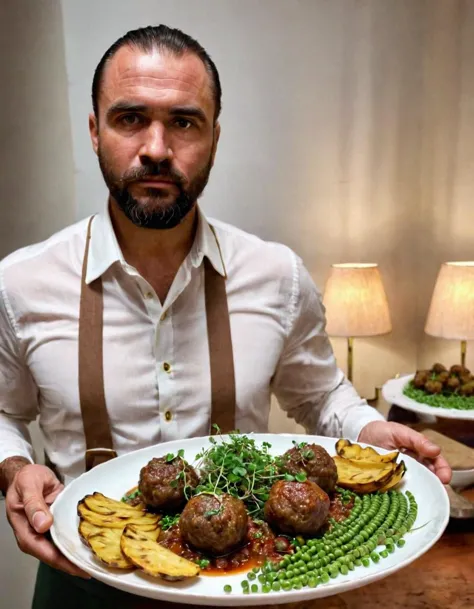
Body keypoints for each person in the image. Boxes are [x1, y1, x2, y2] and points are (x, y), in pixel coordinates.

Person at [0, 24, 450, 609]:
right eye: (129, 118)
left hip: (251, 583)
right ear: (94, 130)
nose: (157, 148)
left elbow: (321, 396)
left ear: (214, 135)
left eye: (184, 122)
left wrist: (368, 431)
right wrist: (14, 469)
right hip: (81, 580)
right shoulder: (19, 283)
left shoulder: (278, 276)